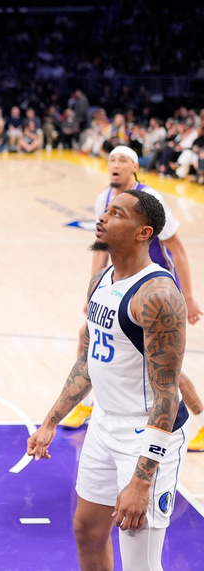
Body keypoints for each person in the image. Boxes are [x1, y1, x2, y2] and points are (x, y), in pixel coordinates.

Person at [27, 189, 189, 571]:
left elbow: (168, 395)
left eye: (116, 213)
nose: (102, 217)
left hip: (146, 433)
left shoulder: (158, 294)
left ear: (142, 232)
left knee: (140, 563)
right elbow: (88, 359)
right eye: (105, 210)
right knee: (87, 530)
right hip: (103, 423)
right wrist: (51, 420)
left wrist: (141, 481)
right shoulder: (102, 279)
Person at [61, 146, 204, 452]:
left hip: (154, 286)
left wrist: (189, 297)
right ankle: (86, 404)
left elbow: (177, 248)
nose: (115, 164)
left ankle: (201, 418)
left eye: (122, 159)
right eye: (112, 159)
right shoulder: (104, 199)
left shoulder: (151, 200)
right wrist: (94, 288)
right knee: (88, 334)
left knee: (162, 367)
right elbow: (102, 246)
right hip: (121, 284)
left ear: (135, 166)